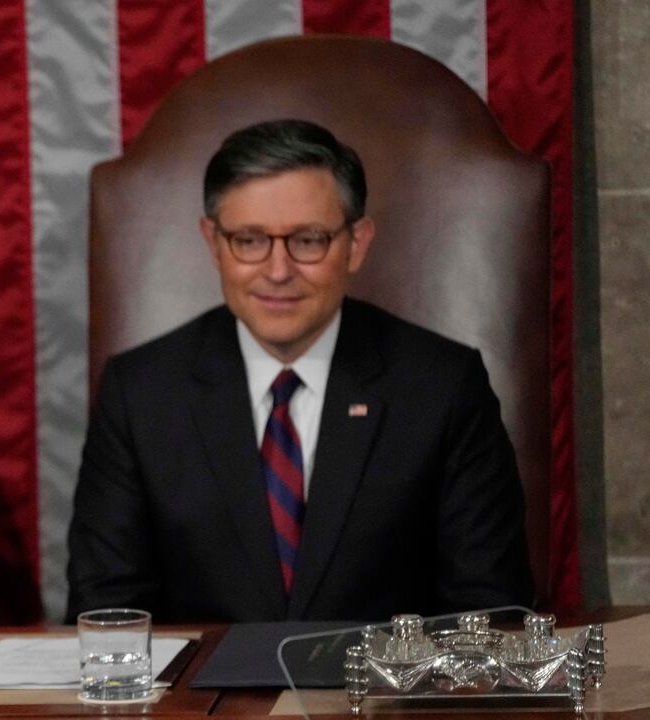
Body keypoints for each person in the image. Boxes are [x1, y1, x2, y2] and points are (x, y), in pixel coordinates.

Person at [66, 118, 533, 623]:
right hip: (197, 700)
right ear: (213, 243)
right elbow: (106, 617)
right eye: (249, 240)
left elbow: (490, 614)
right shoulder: (140, 393)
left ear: (356, 243)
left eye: (308, 240)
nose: (279, 270)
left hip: (381, 698)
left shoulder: (442, 386)